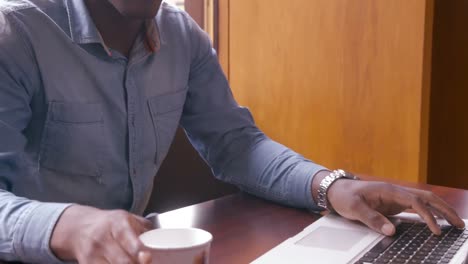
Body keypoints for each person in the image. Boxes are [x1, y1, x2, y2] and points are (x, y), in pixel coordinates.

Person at [0, 0, 464, 263]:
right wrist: (66, 225)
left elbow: (237, 145)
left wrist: (332, 186)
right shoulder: (15, 34)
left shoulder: (183, 37)